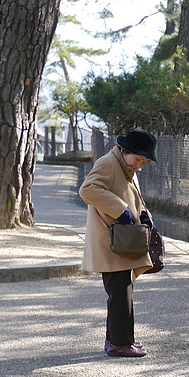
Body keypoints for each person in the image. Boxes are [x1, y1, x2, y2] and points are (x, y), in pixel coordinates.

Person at [80, 128, 158, 358]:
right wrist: (120, 209)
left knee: (122, 291)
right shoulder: (109, 163)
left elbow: (135, 198)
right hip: (111, 240)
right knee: (121, 293)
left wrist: (144, 214)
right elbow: (88, 189)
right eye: (138, 159)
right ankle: (119, 343)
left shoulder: (126, 166)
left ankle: (117, 339)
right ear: (124, 150)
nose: (139, 165)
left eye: (144, 161)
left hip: (122, 239)